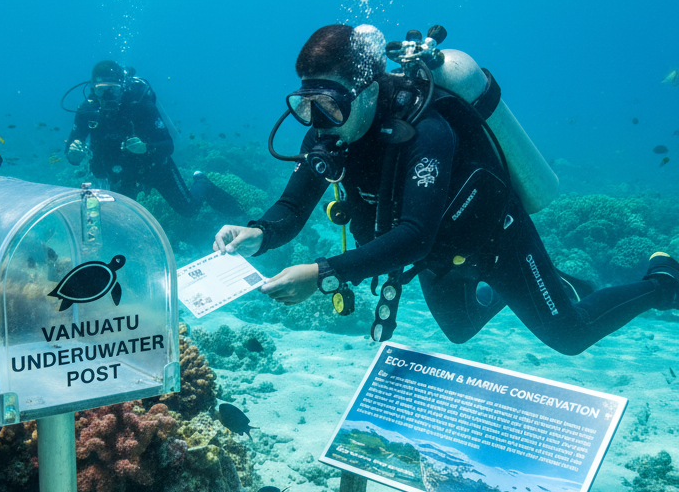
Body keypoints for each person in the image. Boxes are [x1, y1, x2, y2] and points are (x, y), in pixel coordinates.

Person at [213, 23, 679, 356]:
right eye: (305, 104)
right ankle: (552, 283)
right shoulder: (327, 131)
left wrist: (322, 272)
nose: (317, 121)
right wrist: (259, 233)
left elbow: (415, 232)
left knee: (571, 335)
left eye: (329, 105)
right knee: (458, 331)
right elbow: (293, 206)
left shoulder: (426, 131)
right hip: (434, 257)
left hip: (496, 240)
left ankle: (661, 282)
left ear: (370, 92)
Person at [65, 61, 244, 220]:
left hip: (156, 167)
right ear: (92, 88)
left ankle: (202, 183)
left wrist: (145, 148)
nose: (107, 96)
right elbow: (72, 153)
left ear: (122, 86)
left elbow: (168, 145)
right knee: (118, 218)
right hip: (120, 173)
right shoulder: (86, 111)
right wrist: (74, 154)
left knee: (189, 210)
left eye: (113, 89)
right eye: (101, 90)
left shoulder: (139, 104)